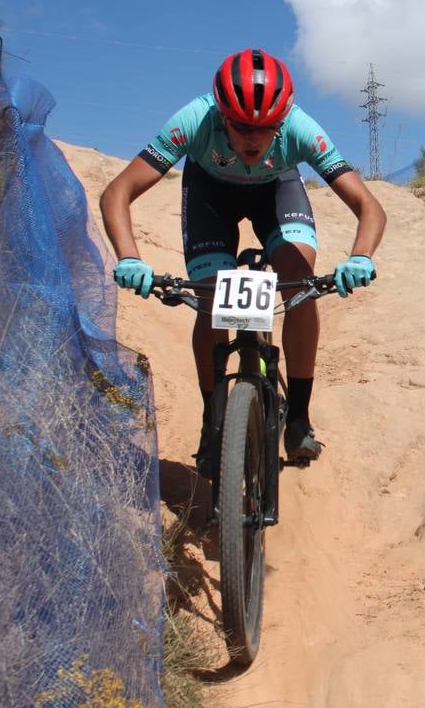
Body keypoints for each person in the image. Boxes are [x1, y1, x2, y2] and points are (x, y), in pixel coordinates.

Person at [100, 48, 387, 466]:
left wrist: (361, 256)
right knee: (211, 298)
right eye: (240, 127)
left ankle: (300, 419)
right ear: (220, 115)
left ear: (283, 120)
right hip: (210, 196)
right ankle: (212, 417)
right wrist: (129, 258)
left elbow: (368, 205)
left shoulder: (301, 129)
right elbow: (117, 193)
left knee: (300, 282)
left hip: (275, 193)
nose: (253, 140)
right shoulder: (193, 121)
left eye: (266, 128)